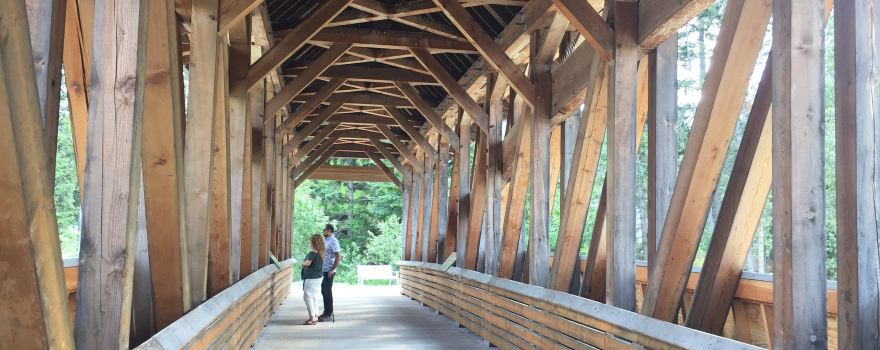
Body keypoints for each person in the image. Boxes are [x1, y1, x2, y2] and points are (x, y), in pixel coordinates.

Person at [300, 234, 325, 325]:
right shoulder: (320, 252)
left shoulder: (312, 253)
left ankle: (312, 317)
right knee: (314, 296)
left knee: (307, 296)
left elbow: (307, 263)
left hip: (311, 277)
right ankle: (316, 315)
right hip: (318, 277)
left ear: (313, 242)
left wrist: (302, 264)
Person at [319, 224, 341, 322]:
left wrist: (332, 269)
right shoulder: (326, 240)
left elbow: (338, 256)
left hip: (329, 270)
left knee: (327, 291)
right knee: (324, 291)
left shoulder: (333, 241)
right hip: (323, 269)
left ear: (328, 230)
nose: (323, 231)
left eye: (324, 230)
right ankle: (326, 311)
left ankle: (328, 313)